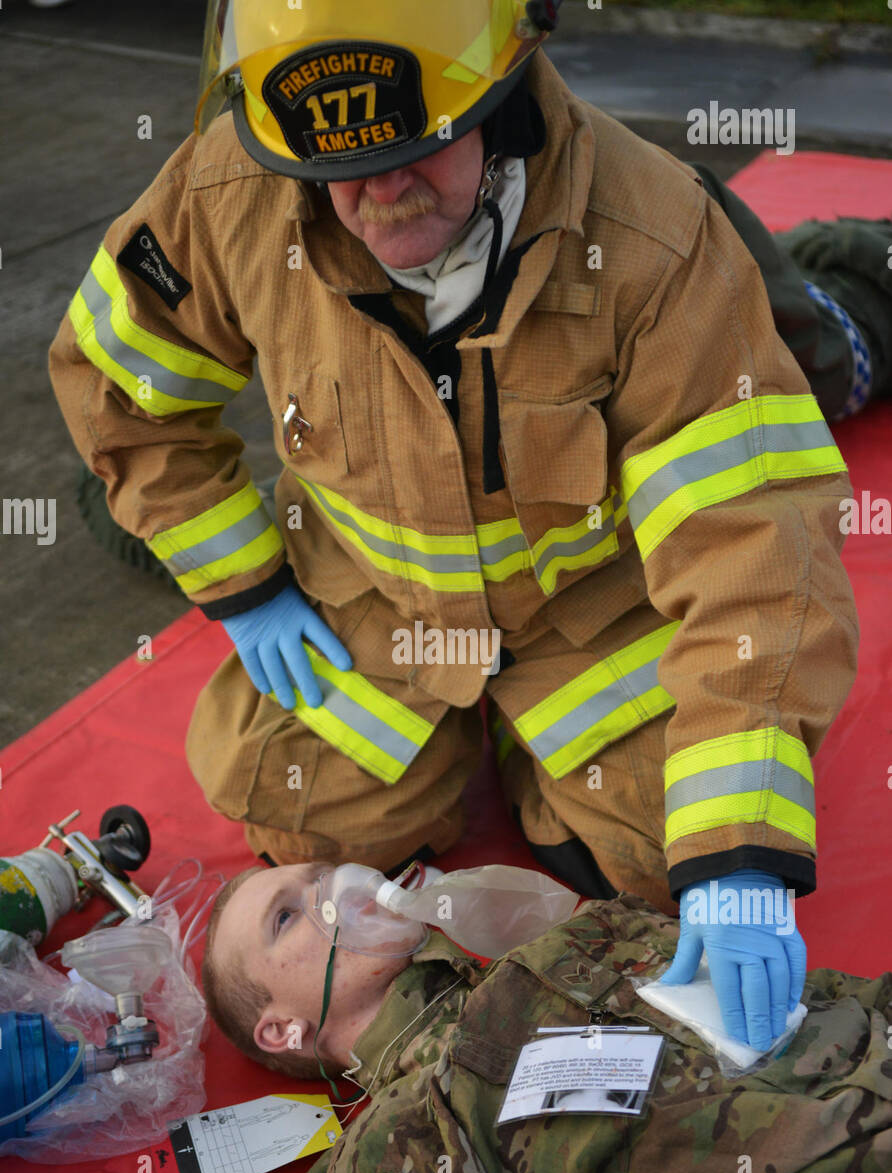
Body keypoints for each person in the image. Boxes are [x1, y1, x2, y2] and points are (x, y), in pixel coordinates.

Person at [48, 2, 890, 1056]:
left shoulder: (652, 235)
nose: (383, 192)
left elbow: (748, 533)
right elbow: (122, 388)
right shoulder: (229, 197)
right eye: (339, 169)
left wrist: (740, 856)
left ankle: (848, 273)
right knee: (300, 819)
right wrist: (249, 586)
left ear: (503, 96)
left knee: (654, 862)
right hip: (380, 601)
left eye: (421, 148)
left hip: (587, 608)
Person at [201, 860, 892, 1173]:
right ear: (281, 1029)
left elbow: (835, 1001)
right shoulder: (392, 1155)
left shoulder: (578, 936)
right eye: (287, 915)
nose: (334, 890)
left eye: (323, 871)